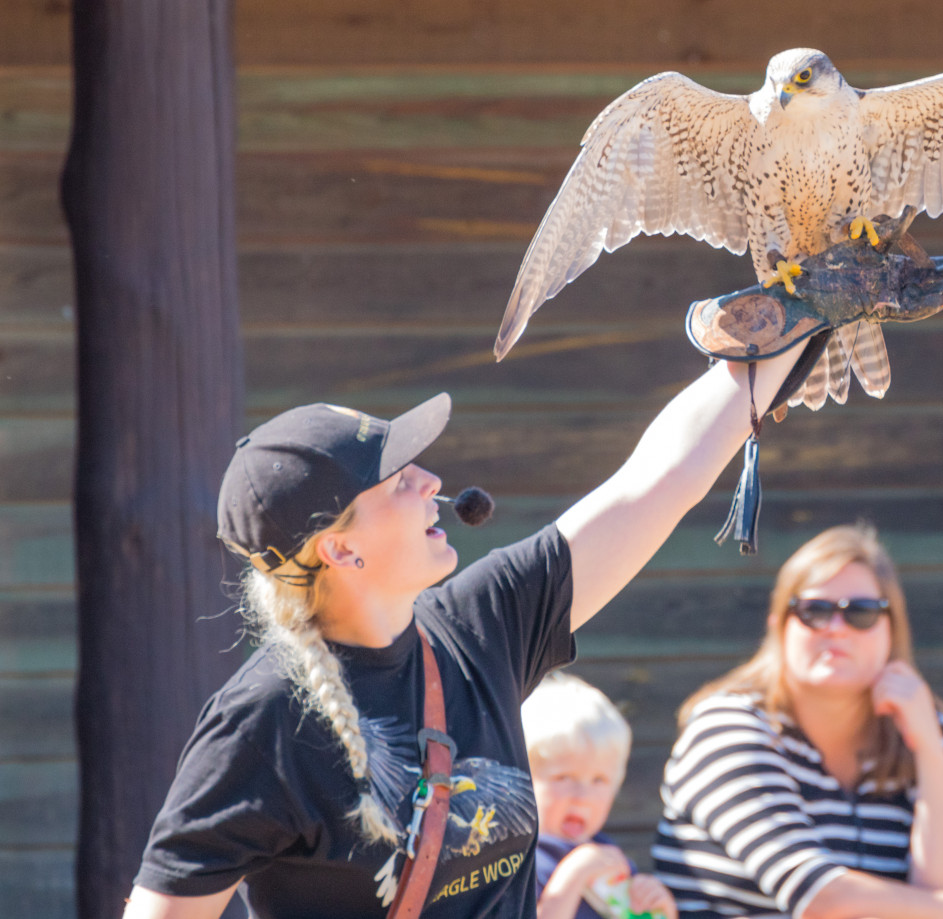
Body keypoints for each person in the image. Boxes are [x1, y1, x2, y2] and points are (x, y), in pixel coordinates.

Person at [122, 339, 806, 919]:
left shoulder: (484, 624)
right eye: (395, 480)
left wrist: (788, 327)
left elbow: (659, 479)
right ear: (339, 549)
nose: (430, 479)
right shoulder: (261, 721)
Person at [652, 524, 943, 919]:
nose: (837, 630)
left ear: (891, 630)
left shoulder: (938, 734)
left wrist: (927, 747)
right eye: (815, 611)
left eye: (860, 612)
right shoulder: (728, 727)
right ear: (779, 626)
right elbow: (821, 900)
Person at [523, 673, 676, 919]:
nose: (582, 796)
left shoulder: (607, 856)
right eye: (564, 778)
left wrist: (659, 908)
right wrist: (573, 876)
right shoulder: (519, 860)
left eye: (599, 780)